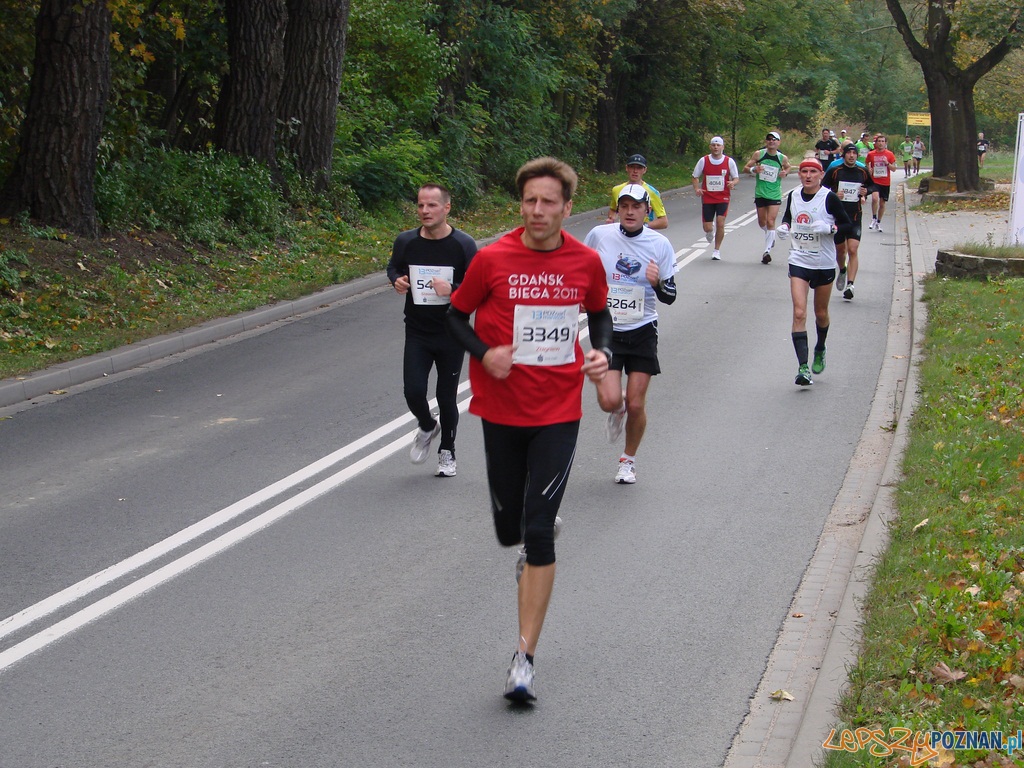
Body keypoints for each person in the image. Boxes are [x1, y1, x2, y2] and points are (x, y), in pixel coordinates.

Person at [446, 156, 613, 703]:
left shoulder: (585, 261)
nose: (537, 211)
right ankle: (527, 536)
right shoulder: (492, 259)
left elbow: (600, 313)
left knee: (538, 531)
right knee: (508, 530)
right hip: (499, 409)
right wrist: (484, 352)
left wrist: (602, 353)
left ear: (568, 207)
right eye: (529, 201)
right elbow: (454, 316)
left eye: (548, 202)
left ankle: (524, 658)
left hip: (558, 411)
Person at [585, 183, 677, 484]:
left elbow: (671, 296)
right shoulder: (600, 235)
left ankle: (628, 460)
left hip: (642, 328)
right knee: (609, 401)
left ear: (646, 211)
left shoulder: (659, 244)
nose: (629, 211)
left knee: (637, 403)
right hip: (607, 330)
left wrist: (656, 283)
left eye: (636, 206)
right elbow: (581, 269)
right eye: (624, 205)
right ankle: (618, 408)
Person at [387, 184, 477, 477]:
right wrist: (397, 280)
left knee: (446, 396)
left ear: (446, 208)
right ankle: (427, 425)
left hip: (451, 332)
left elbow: (477, 288)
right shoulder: (406, 241)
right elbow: (394, 268)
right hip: (417, 330)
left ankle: (447, 450)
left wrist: (452, 289)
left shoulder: (463, 245)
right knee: (413, 391)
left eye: (432, 206)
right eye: (421, 205)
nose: (425, 211)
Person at [776, 158, 852, 386]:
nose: (808, 175)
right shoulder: (794, 196)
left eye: (813, 172)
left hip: (824, 263)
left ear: (820, 175)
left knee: (820, 313)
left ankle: (820, 347)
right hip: (799, 259)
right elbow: (788, 216)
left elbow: (847, 224)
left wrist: (831, 228)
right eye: (804, 171)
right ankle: (802, 367)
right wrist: (784, 227)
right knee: (799, 313)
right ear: (799, 175)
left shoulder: (828, 197)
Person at [823, 144, 873, 300]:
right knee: (840, 252)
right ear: (843, 155)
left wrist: (866, 192)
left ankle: (850, 285)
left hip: (855, 217)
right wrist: (834, 194)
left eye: (854, 153)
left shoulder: (862, 171)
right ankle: (842, 270)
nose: (851, 155)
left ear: (857, 156)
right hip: (838, 217)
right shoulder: (835, 171)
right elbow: (822, 188)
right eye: (849, 153)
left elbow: (872, 185)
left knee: (853, 249)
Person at [743, 131, 791, 264]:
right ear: (766, 142)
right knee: (762, 222)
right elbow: (745, 168)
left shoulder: (782, 158)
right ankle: (771, 235)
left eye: (774, 139)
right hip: (760, 193)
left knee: (771, 221)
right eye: (769, 139)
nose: (772, 141)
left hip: (774, 193)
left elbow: (788, 167)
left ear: (778, 142)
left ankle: (767, 251)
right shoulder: (759, 154)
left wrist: (784, 173)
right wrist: (754, 170)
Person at [691, 136, 740, 260]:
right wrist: (697, 188)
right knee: (707, 227)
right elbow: (695, 176)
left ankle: (716, 250)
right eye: (713, 145)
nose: (716, 147)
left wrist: (733, 183)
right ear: (710, 147)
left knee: (720, 222)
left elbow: (736, 178)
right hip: (708, 197)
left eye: (718, 145)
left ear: (723, 147)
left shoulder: (729, 161)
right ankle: (709, 231)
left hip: (723, 197)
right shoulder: (704, 160)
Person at [607, 154, 668, 230]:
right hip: (622, 234)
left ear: (644, 170)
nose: (635, 171)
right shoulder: (617, 190)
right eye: (632, 167)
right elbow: (613, 210)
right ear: (627, 168)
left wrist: (643, 227)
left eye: (639, 168)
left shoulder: (652, 192)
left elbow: (663, 222)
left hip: (643, 236)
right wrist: (612, 219)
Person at [865, 134, 897, 232]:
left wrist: (887, 163)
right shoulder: (871, 154)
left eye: (883, 141)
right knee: (875, 199)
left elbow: (894, 169)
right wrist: (869, 170)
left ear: (885, 143)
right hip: (875, 180)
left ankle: (878, 222)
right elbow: (867, 164)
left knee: (882, 204)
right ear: (876, 143)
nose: (881, 143)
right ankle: (874, 218)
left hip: (885, 182)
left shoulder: (890, 154)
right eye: (879, 141)